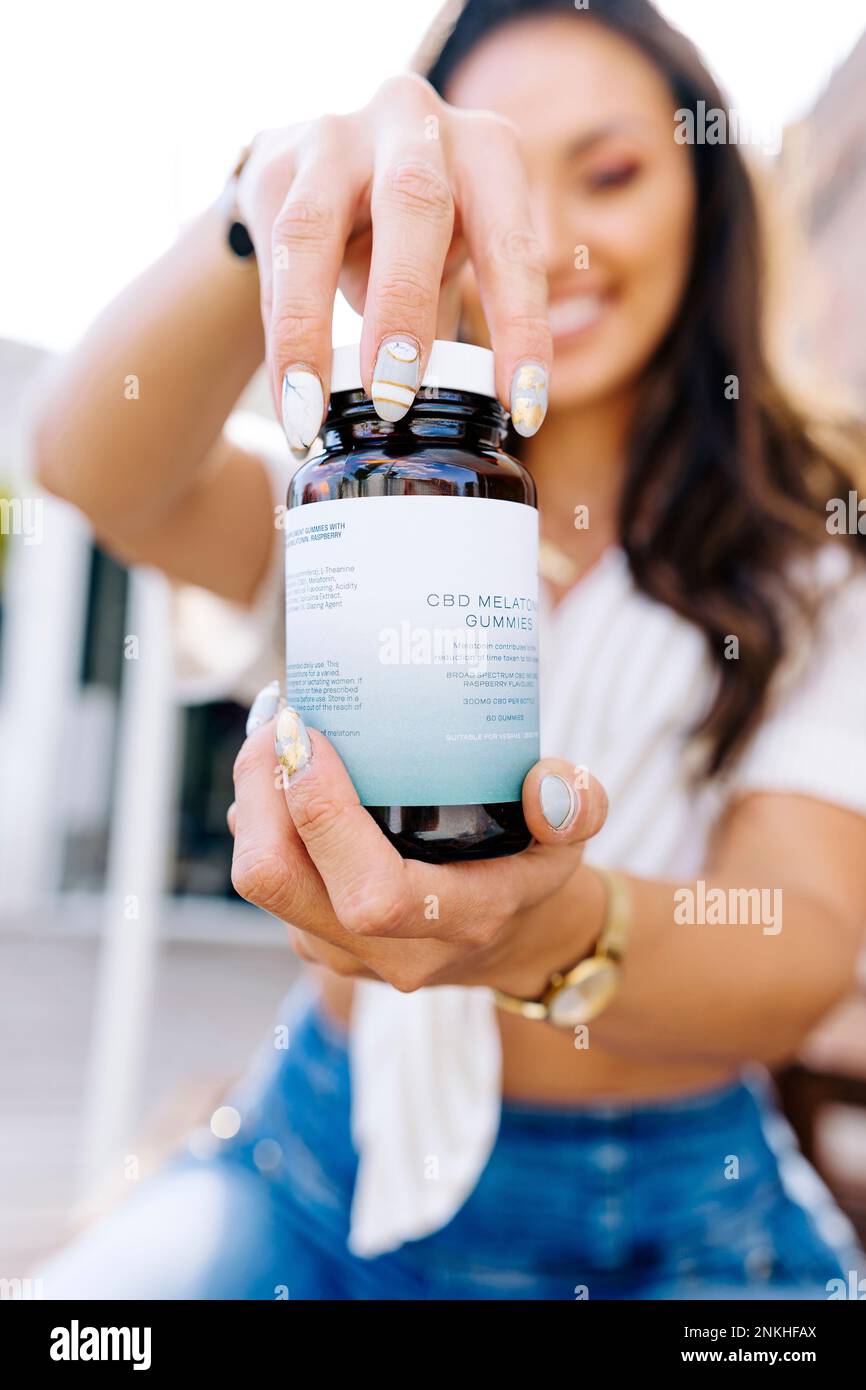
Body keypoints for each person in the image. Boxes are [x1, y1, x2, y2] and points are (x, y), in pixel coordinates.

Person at [34, 0, 866, 1300]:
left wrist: (547, 935)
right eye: (496, 182)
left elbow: (797, 936)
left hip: (661, 1213)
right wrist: (263, 203)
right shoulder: (353, 501)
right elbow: (88, 465)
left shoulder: (813, 550)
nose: (554, 241)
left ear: (703, 202)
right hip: (316, 1153)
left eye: (610, 172)